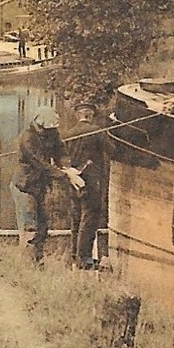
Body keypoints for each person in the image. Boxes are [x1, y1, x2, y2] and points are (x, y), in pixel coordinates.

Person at [62, 101, 113, 269]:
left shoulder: (69, 134)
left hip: (73, 179)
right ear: (90, 115)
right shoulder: (97, 131)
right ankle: (84, 258)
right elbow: (112, 150)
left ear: (78, 115)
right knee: (90, 217)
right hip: (91, 180)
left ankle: (74, 256)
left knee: (76, 217)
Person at [13, 105, 66, 263]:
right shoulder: (27, 138)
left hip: (40, 186)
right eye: (44, 129)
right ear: (37, 124)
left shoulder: (52, 133)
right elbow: (40, 163)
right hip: (25, 186)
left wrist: (66, 166)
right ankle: (26, 264)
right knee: (30, 227)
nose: (47, 132)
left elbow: (60, 152)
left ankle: (38, 260)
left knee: (43, 227)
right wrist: (62, 174)